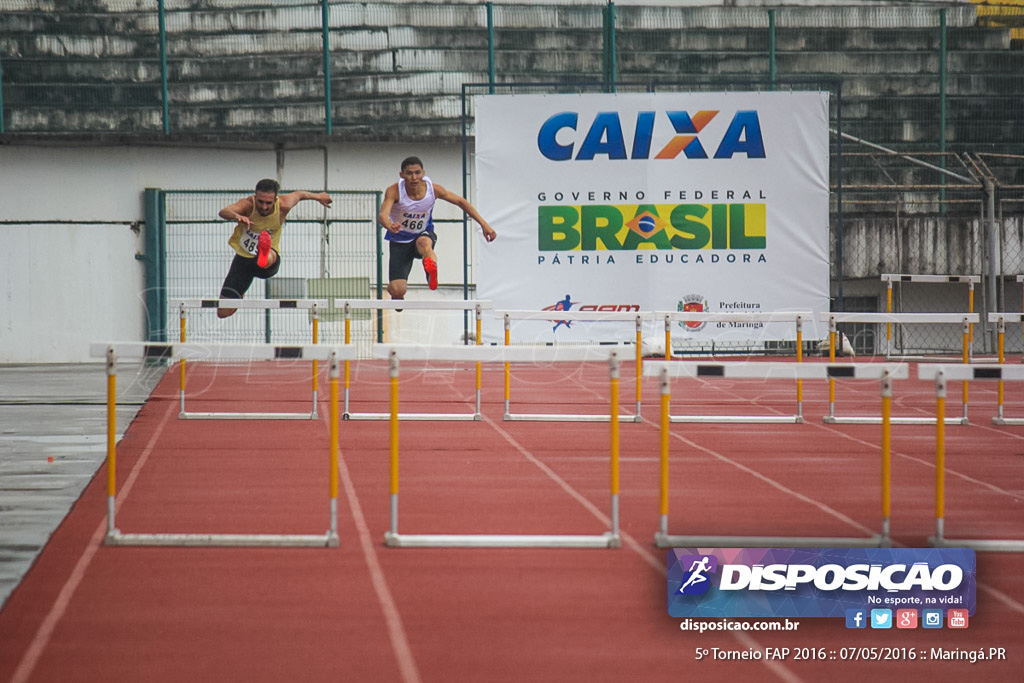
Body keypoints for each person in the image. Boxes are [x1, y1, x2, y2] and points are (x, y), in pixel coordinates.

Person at [377, 156, 496, 301]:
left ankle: (431, 270)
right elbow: (382, 215)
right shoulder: (394, 191)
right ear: (402, 175)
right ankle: (396, 293)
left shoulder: (432, 189)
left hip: (422, 234)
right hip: (400, 240)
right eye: (409, 173)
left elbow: (460, 201)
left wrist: (484, 224)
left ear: (423, 173)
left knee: (424, 243)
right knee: (398, 290)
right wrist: (390, 225)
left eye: (418, 173)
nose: (414, 178)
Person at [215, 178, 333, 318]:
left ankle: (263, 254)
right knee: (222, 312)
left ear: (275, 199)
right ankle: (240, 293)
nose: (264, 207)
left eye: (268, 203)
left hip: (269, 262)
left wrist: (318, 197)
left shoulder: (284, 204)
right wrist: (236, 216)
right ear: (255, 197)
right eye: (260, 202)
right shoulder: (247, 205)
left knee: (268, 256)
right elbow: (223, 212)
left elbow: (300, 195)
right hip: (243, 260)